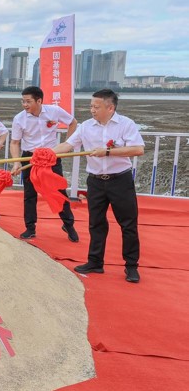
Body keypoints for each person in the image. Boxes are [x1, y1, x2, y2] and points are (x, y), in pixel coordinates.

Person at [53, 89, 145, 283]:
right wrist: (45, 154)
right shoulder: (86, 126)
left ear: (110, 108)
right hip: (95, 181)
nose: (92, 110)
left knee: (128, 224)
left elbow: (138, 149)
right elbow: (68, 145)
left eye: (96, 106)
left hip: (120, 180)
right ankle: (95, 262)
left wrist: (108, 152)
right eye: (91, 106)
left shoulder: (126, 124)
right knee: (96, 223)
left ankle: (131, 266)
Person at [10, 86, 79, 242]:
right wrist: (16, 163)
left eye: (28, 101)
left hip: (50, 157)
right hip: (30, 158)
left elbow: (73, 122)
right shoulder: (19, 118)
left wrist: (67, 144)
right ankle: (30, 228)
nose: (25, 105)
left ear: (39, 100)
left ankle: (68, 225)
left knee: (59, 191)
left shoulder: (54, 111)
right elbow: (14, 143)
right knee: (30, 194)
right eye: (23, 101)